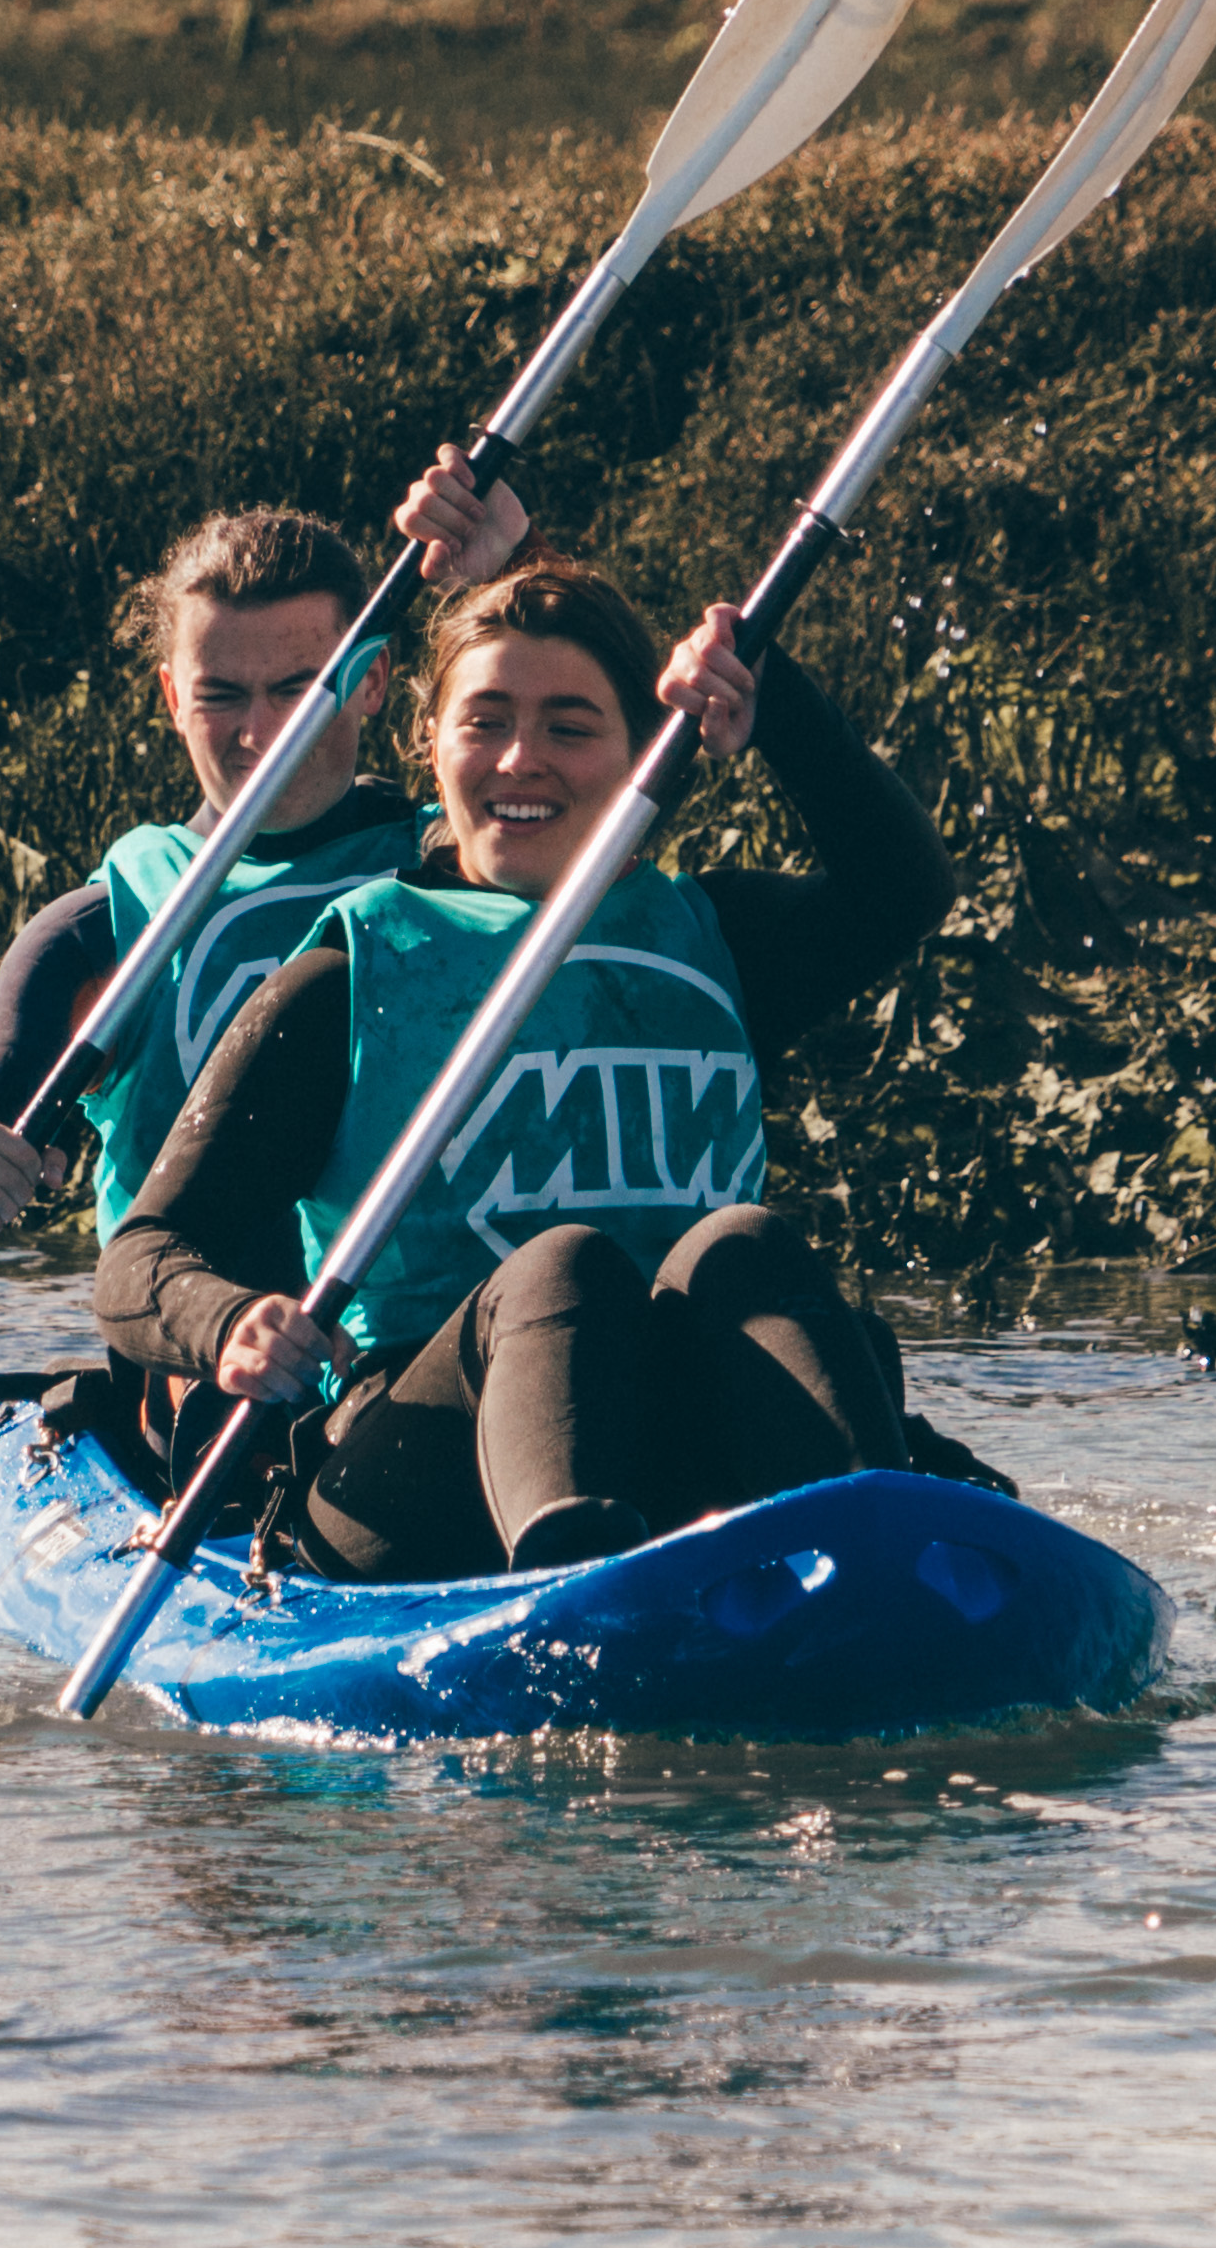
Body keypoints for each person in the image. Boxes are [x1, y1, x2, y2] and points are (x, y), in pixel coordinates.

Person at [91, 561, 951, 1580]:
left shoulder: (713, 939)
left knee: (745, 1246)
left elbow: (900, 890)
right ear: (431, 746)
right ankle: (575, 1577)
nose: (519, 761)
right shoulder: (351, 967)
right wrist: (228, 1321)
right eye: (484, 721)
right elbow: (141, 1256)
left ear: (645, 754)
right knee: (561, 1262)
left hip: (681, 1449)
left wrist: (778, 705)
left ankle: (882, 1563)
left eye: (569, 727)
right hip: (416, 1467)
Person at [0, 452, 535, 1261]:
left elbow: (618, 763)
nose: (259, 736)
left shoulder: (466, 864)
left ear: (372, 684)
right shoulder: (106, 928)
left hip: (414, 1345)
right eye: (220, 695)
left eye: (297, 691)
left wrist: (524, 563)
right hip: (193, 1357)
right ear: (171, 699)